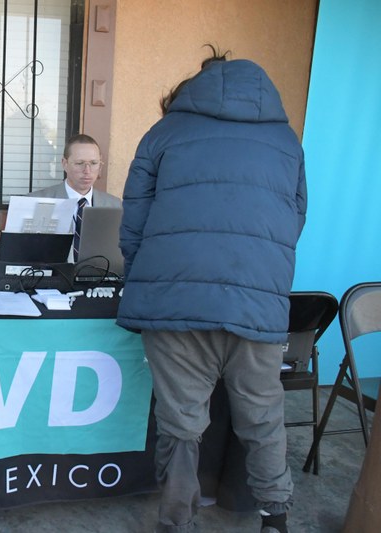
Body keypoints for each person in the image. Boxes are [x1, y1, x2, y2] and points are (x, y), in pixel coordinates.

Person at [117, 47, 306, 533]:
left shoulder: (165, 133)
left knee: (181, 421)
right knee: (262, 415)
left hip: (174, 298)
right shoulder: (286, 141)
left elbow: (134, 219)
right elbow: (295, 218)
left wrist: (149, 278)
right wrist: (260, 274)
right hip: (256, 302)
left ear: (192, 86)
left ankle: (176, 520)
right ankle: (275, 518)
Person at [29, 133, 122, 208]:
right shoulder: (35, 202)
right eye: (79, 163)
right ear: (65, 164)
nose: (87, 170)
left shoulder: (115, 206)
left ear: (100, 166)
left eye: (93, 163)